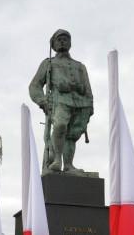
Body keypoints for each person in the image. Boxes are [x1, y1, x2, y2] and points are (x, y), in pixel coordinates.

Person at [29, 29, 93, 173]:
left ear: (70, 43)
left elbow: (88, 88)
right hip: (59, 101)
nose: (62, 41)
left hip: (81, 103)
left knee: (72, 135)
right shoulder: (48, 63)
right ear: (53, 44)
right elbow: (34, 86)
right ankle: (57, 159)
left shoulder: (80, 66)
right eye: (59, 39)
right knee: (60, 126)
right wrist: (42, 100)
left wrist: (90, 106)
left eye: (65, 39)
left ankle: (69, 165)